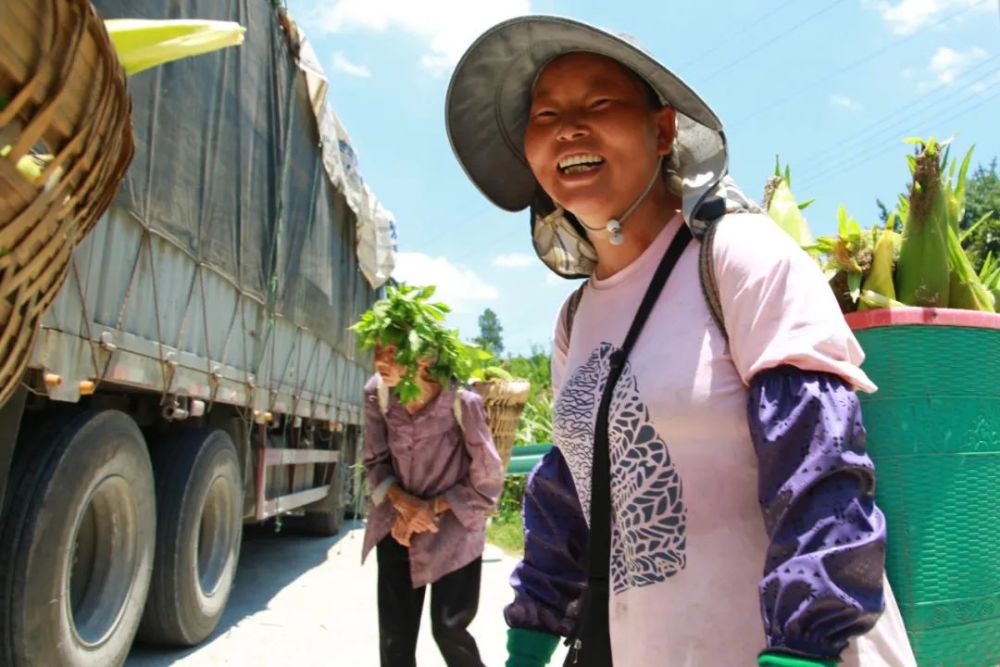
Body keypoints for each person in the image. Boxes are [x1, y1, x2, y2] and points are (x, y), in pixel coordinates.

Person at [445, 16, 917, 667]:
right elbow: (570, 486)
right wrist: (531, 635)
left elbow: (819, 465)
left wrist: (800, 652)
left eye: (599, 103)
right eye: (544, 113)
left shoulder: (739, 260)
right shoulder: (575, 318)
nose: (567, 127)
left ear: (663, 130)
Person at [355, 285, 504, 667]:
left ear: (423, 356)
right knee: (395, 640)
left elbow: (486, 480)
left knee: (449, 630)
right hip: (397, 525)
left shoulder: (462, 401)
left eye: (392, 352)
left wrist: (430, 509)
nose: (381, 363)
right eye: (377, 351)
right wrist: (405, 507)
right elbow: (375, 462)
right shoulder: (378, 394)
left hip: (453, 529)